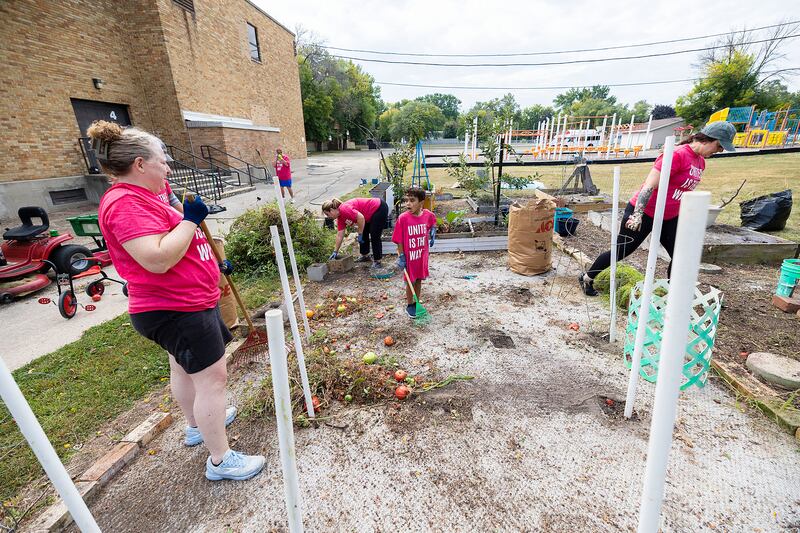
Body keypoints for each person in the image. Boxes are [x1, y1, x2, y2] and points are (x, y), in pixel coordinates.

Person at [90, 120, 265, 481]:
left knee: (184, 367)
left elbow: (179, 236)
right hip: (175, 307)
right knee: (213, 379)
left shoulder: (145, 196)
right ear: (140, 164)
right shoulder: (124, 203)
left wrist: (213, 259)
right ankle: (220, 460)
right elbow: (157, 258)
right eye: (162, 160)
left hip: (183, 302)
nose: (168, 167)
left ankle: (196, 426)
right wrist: (189, 221)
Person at [579, 121, 736, 296]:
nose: (719, 151)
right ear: (708, 139)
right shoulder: (677, 155)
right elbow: (649, 185)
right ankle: (587, 278)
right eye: (719, 146)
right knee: (622, 250)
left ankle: (673, 298)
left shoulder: (700, 162)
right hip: (645, 212)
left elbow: (680, 191)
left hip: (669, 217)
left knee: (680, 256)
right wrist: (637, 214)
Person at [392, 187, 437, 318]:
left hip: (422, 255)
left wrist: (433, 229)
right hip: (409, 257)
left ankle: (417, 301)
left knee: (418, 279)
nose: (408, 204)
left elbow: (432, 220)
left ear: (421, 203)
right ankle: (410, 304)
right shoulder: (403, 218)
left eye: (412, 200)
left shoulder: (427, 214)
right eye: (406, 200)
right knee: (410, 281)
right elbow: (398, 240)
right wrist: (401, 256)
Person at [322, 196, 389, 268]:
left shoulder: (344, 209)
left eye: (327, 214)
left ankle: (378, 261)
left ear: (331, 210)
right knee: (364, 232)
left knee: (374, 235)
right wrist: (335, 251)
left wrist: (360, 233)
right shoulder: (340, 218)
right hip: (367, 214)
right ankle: (365, 255)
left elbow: (361, 218)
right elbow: (340, 235)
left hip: (379, 208)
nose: (328, 217)